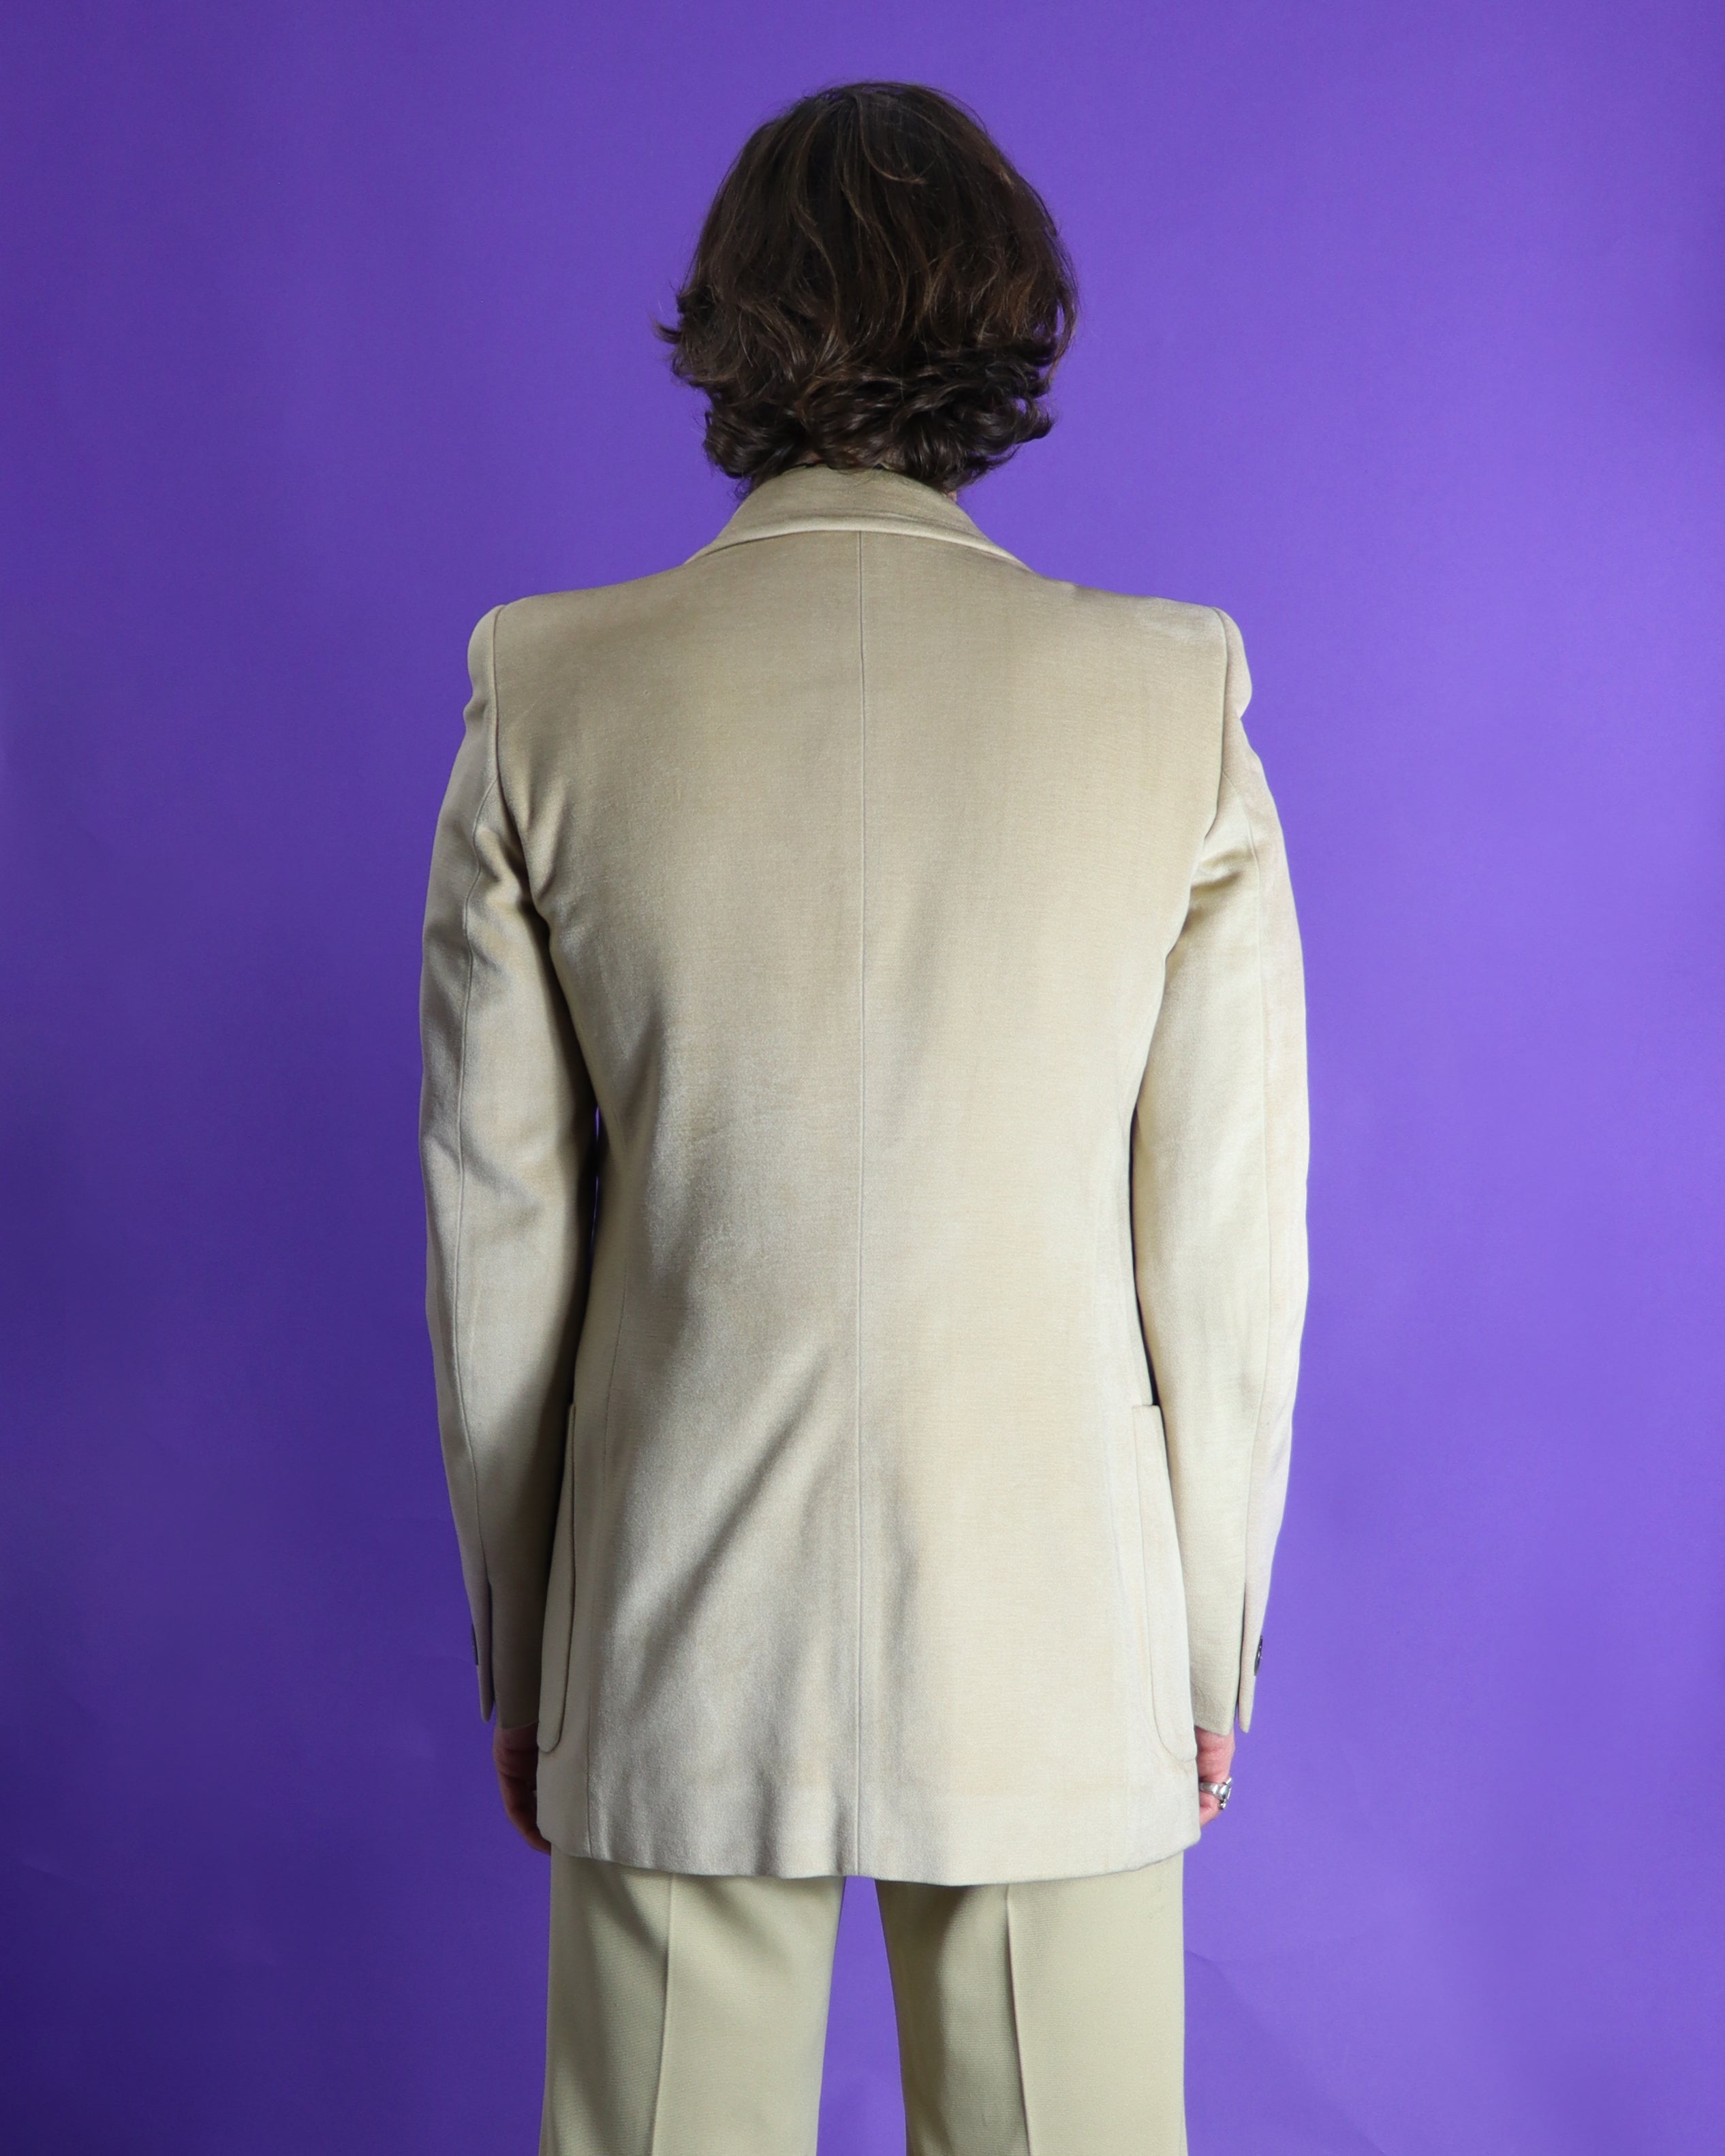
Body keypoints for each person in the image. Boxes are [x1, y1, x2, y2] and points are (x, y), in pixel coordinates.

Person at [419, 80, 1307, 2156]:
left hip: (673, 1615)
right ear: (1010, 324)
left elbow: (497, 1238)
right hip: (1053, 1625)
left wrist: (533, 1653)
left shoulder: (549, 687)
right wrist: (1198, 1655)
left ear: (727, 321)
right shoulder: (1168, 693)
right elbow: (1222, 1249)